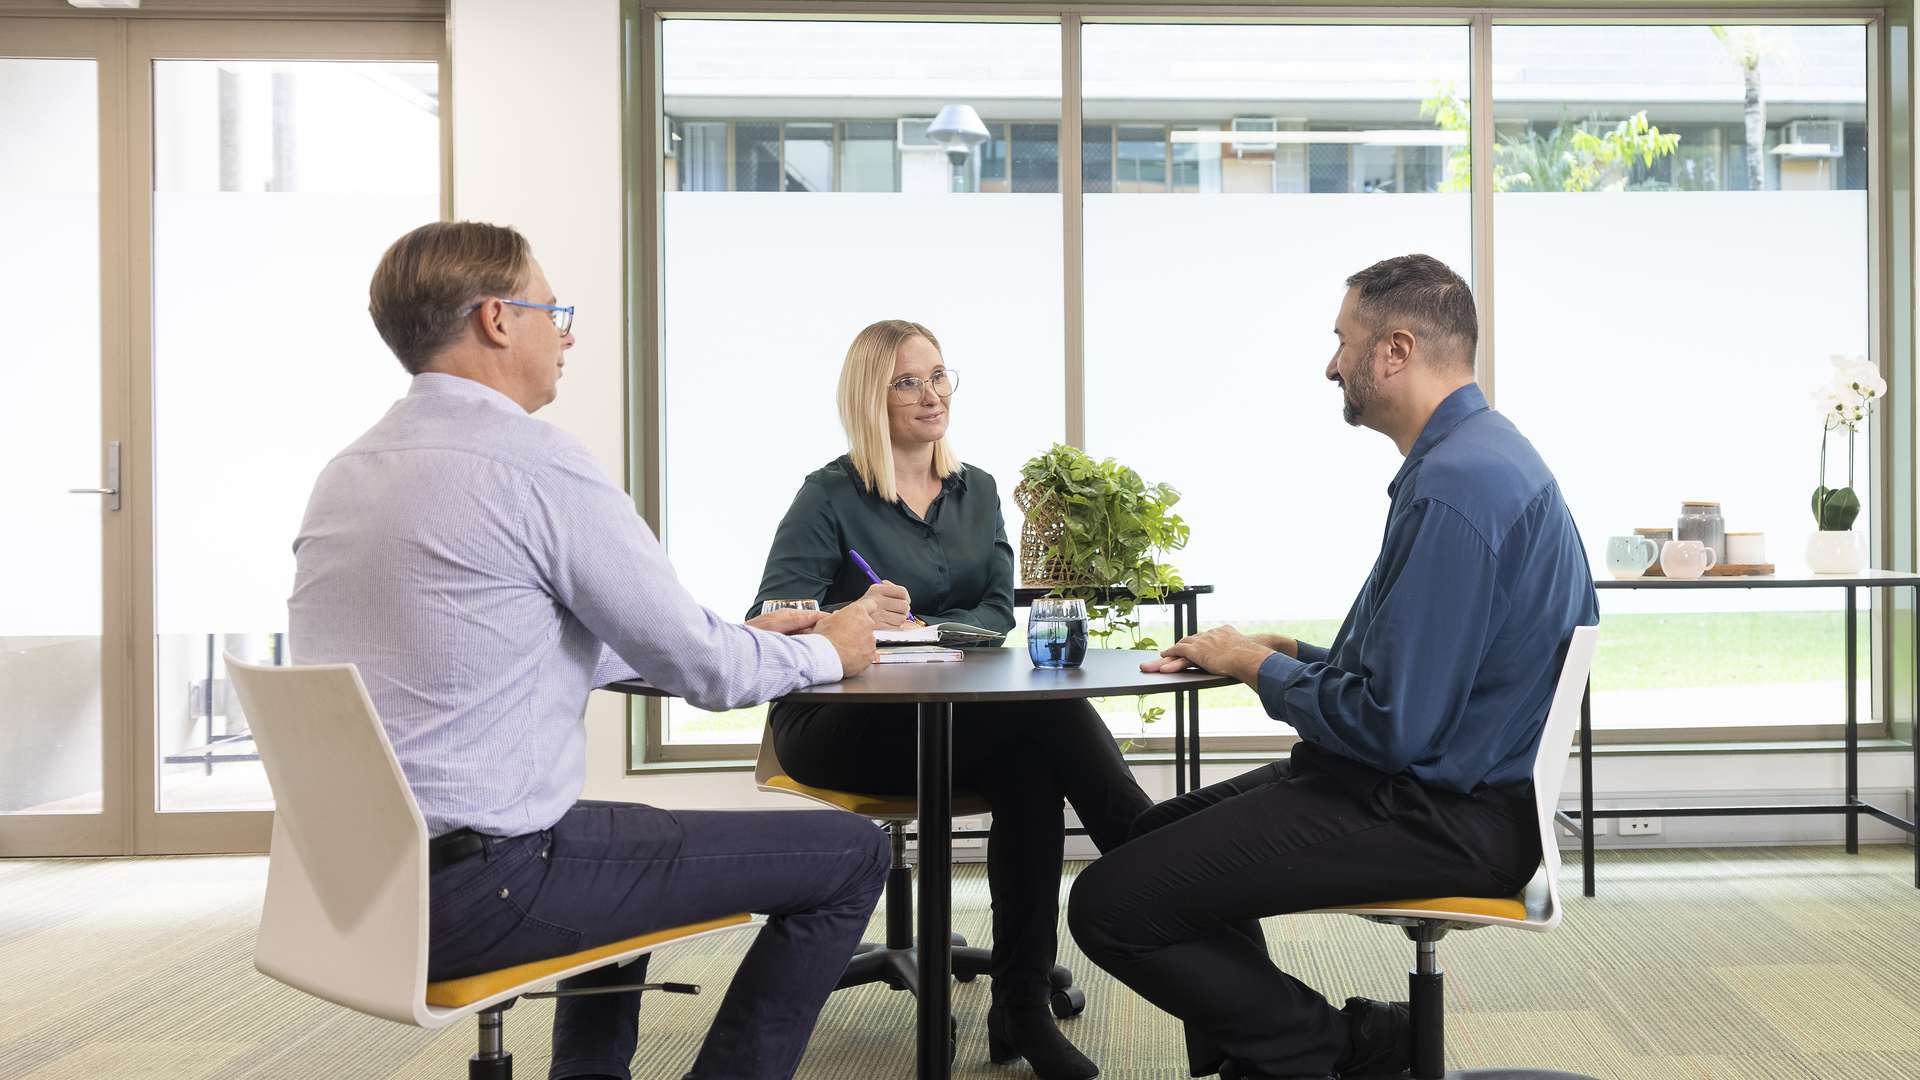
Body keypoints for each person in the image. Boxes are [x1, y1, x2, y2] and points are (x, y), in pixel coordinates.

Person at [288, 221, 890, 1080]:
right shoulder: (533, 464)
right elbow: (709, 676)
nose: (563, 334)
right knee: (855, 852)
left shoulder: (349, 470)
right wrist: (831, 650)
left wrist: (743, 637)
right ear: (498, 319)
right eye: (550, 309)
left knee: (629, 834)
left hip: (359, 887)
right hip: (482, 890)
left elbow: (489, 643)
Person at [1066, 255, 1599, 1080]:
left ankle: (1336, 1051)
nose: (1332, 365)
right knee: (1148, 842)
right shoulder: (1479, 458)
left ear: (1394, 349)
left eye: (1342, 343)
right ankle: (1268, 1050)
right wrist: (1297, 656)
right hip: (1432, 788)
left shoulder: (1458, 489)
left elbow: (1392, 726)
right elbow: (1432, 673)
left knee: (1110, 906)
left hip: (1441, 815)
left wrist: (1252, 667)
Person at [750, 319, 1150, 1080]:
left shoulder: (980, 491)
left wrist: (930, 630)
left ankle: (1021, 1002)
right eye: (908, 381)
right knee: (1047, 724)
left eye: (939, 376)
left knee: (1031, 762)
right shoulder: (829, 496)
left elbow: (1000, 610)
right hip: (842, 722)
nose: (931, 395)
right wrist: (850, 618)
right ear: (873, 396)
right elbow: (771, 613)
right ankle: (1154, 860)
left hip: (960, 718)